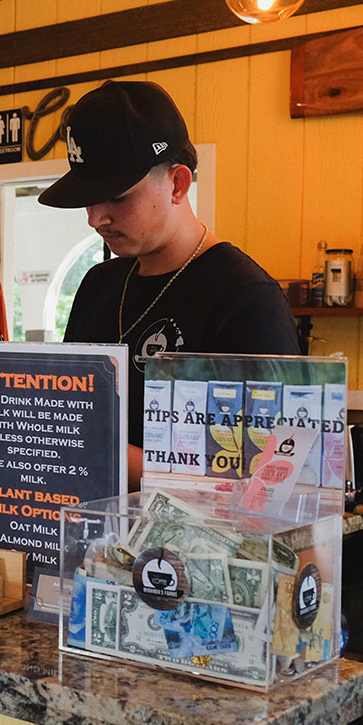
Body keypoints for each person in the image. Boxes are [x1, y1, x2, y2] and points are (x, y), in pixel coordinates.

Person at [41, 80, 300, 486]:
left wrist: (99, 451)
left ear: (178, 183)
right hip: (92, 541)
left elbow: (268, 471)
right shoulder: (97, 284)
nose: (95, 219)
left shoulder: (246, 299)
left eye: (118, 197)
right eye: (88, 199)